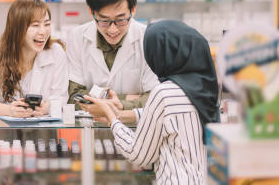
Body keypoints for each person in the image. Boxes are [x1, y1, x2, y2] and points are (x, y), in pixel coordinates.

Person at [85, 20, 220, 184]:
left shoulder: (163, 94)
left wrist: (112, 118)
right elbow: (172, 118)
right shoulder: (205, 89)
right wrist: (122, 115)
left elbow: (139, 154)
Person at [66, 0, 158, 112]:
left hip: (135, 129)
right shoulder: (78, 37)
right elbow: (73, 96)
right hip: (90, 128)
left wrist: (119, 105)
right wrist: (129, 98)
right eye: (104, 21)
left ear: (133, 11)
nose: (112, 29)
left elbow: (154, 97)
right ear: (92, 13)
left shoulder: (148, 39)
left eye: (120, 20)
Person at [0, 0, 68, 117]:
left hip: (43, 132)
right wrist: (8, 110)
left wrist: (46, 108)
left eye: (47, 24)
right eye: (35, 25)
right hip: (1, 130)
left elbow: (60, 97)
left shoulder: (56, 53)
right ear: (17, 29)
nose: (43, 32)